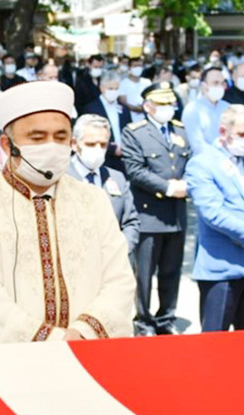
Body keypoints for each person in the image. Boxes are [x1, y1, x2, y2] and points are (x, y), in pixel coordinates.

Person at [0, 81, 135, 344]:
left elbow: (120, 280)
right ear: (7, 145)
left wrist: (83, 332)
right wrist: (52, 340)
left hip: (89, 357)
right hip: (7, 370)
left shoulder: (93, 201)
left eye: (60, 137)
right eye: (37, 138)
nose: (52, 146)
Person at [185, 104, 244, 332]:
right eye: (241, 134)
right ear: (223, 132)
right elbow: (212, 213)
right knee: (216, 344)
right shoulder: (202, 164)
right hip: (221, 267)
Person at [122, 82, 191, 336]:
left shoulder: (180, 130)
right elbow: (135, 170)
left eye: (170, 103)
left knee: (172, 270)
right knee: (144, 272)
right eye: (162, 104)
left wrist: (188, 185)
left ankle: (166, 317)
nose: (168, 108)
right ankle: (144, 320)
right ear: (148, 106)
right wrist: (167, 187)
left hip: (176, 213)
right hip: (149, 212)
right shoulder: (135, 132)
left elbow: (190, 162)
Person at [67, 114, 139, 260]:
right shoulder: (60, 177)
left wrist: (121, 250)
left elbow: (131, 222)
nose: (98, 149)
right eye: (91, 144)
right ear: (74, 144)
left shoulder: (117, 178)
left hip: (113, 265)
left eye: (103, 144)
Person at [81, 72, 131, 173]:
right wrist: (112, 149)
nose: (113, 92)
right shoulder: (92, 109)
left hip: (124, 159)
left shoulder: (123, 109)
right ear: (102, 88)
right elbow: (89, 136)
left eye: (116, 89)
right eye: (110, 89)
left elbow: (129, 130)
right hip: (103, 159)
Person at [181, 66, 231, 155]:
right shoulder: (192, 110)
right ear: (204, 86)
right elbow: (197, 145)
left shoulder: (228, 107)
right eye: (215, 83)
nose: (220, 87)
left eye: (222, 83)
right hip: (203, 162)